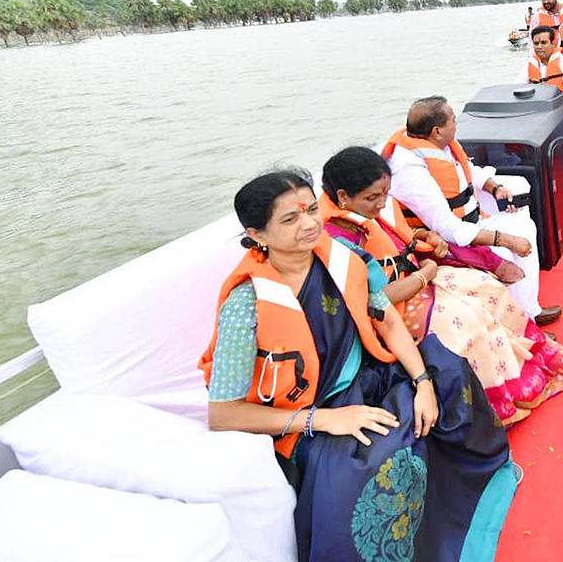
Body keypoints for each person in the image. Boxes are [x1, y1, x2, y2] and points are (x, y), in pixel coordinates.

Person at [200, 170, 516, 562]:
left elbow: (389, 322)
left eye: (312, 209)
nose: (310, 223)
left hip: (368, 376)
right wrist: (322, 421)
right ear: (258, 235)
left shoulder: (343, 260)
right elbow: (223, 413)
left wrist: (422, 383)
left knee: (449, 373)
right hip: (307, 415)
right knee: (372, 462)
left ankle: (466, 502)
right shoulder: (245, 305)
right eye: (290, 219)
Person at [320, 147, 563, 425]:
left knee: (487, 287)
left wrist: (425, 235)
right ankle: (494, 401)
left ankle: (520, 357)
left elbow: (396, 237)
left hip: (418, 278)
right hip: (394, 307)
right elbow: (374, 300)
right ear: (343, 198)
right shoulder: (338, 238)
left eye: (385, 194)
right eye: (373, 197)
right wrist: (426, 274)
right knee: (464, 318)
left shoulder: (367, 210)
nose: (382, 203)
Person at [383, 95, 562, 325]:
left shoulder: (440, 145)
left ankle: (529, 312)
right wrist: (505, 240)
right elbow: (447, 228)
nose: (457, 125)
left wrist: (494, 188)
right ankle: (518, 327)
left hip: (473, 223)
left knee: (525, 226)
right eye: (453, 120)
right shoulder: (409, 171)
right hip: (447, 242)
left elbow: (468, 168)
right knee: (506, 253)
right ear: (437, 131)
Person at [521, 25, 563, 119]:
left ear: (553, 43)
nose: (539, 47)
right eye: (536, 43)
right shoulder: (530, 63)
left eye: (544, 43)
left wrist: (547, 102)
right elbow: (518, 87)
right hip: (543, 113)